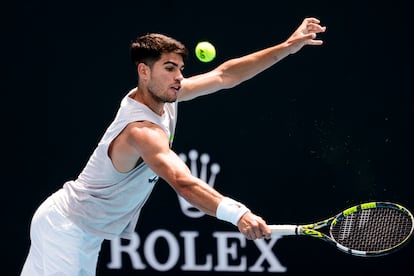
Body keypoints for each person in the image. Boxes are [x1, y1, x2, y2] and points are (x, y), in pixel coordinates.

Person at [21, 17, 326, 275]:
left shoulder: (164, 96)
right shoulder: (141, 132)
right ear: (144, 71)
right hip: (67, 229)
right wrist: (238, 214)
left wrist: (287, 48)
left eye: (180, 68)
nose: (179, 77)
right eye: (169, 68)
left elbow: (225, 74)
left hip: (75, 228)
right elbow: (182, 182)